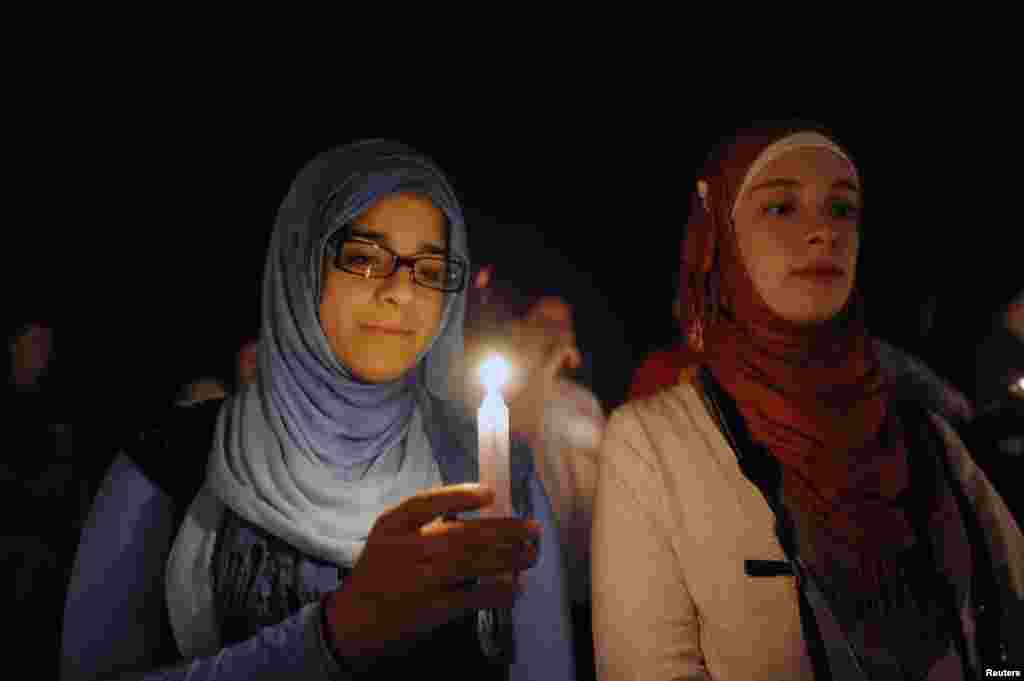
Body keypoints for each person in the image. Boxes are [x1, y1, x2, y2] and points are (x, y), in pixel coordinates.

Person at [63, 140, 575, 680]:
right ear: (301, 263)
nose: (401, 290)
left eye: (429, 268)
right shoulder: (170, 466)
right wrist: (333, 636)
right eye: (363, 257)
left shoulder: (494, 475)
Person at [591, 124, 1024, 679]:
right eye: (781, 208)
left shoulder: (925, 436)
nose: (823, 231)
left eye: (842, 209)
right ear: (723, 232)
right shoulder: (654, 444)